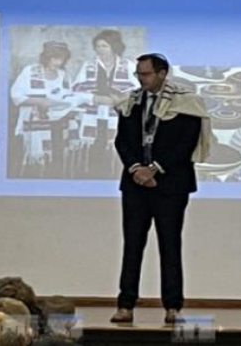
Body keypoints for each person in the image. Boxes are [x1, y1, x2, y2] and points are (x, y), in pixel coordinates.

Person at [111, 53, 211, 324]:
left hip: (171, 185)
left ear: (162, 73)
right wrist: (136, 169)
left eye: (145, 74)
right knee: (132, 245)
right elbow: (122, 141)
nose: (140, 78)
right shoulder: (132, 101)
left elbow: (185, 144)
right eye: (138, 74)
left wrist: (154, 168)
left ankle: (173, 306)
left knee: (170, 245)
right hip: (135, 185)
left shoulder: (185, 101)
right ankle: (125, 305)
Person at [71, 30, 138, 177]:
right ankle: (91, 177)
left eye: (104, 46)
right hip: (93, 116)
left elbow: (140, 90)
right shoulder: (88, 66)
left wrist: (119, 99)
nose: (99, 49)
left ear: (114, 46)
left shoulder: (128, 65)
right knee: (94, 150)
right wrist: (95, 98)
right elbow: (75, 90)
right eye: (97, 46)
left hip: (118, 117)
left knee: (117, 149)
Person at [10, 41, 79, 177]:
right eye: (53, 58)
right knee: (37, 162)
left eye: (61, 59)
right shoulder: (30, 71)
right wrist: (39, 101)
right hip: (37, 123)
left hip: (59, 124)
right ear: (46, 57)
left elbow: (69, 98)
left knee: (57, 158)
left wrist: (68, 104)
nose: (57, 62)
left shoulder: (64, 75)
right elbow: (16, 96)